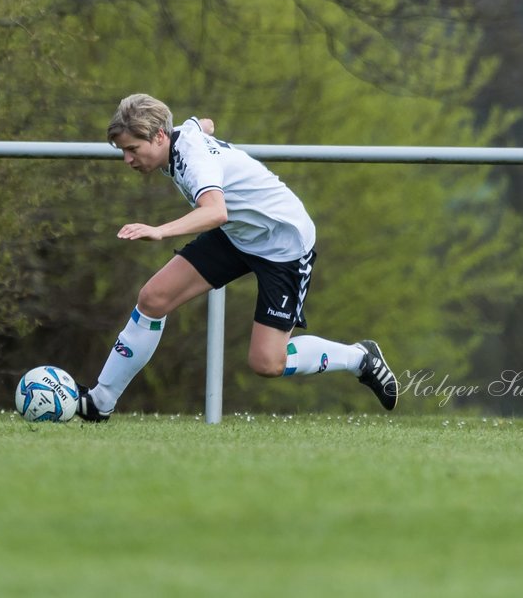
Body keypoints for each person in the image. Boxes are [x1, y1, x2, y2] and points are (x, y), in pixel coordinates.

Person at [74, 93, 399, 422]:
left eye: (132, 149)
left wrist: (160, 230)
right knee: (153, 298)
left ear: (159, 136)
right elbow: (200, 124)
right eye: (123, 151)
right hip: (238, 234)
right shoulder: (179, 137)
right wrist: (204, 127)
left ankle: (360, 357)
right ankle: (100, 402)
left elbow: (215, 211)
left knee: (267, 364)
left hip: (282, 243)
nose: (128, 159)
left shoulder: (192, 159)